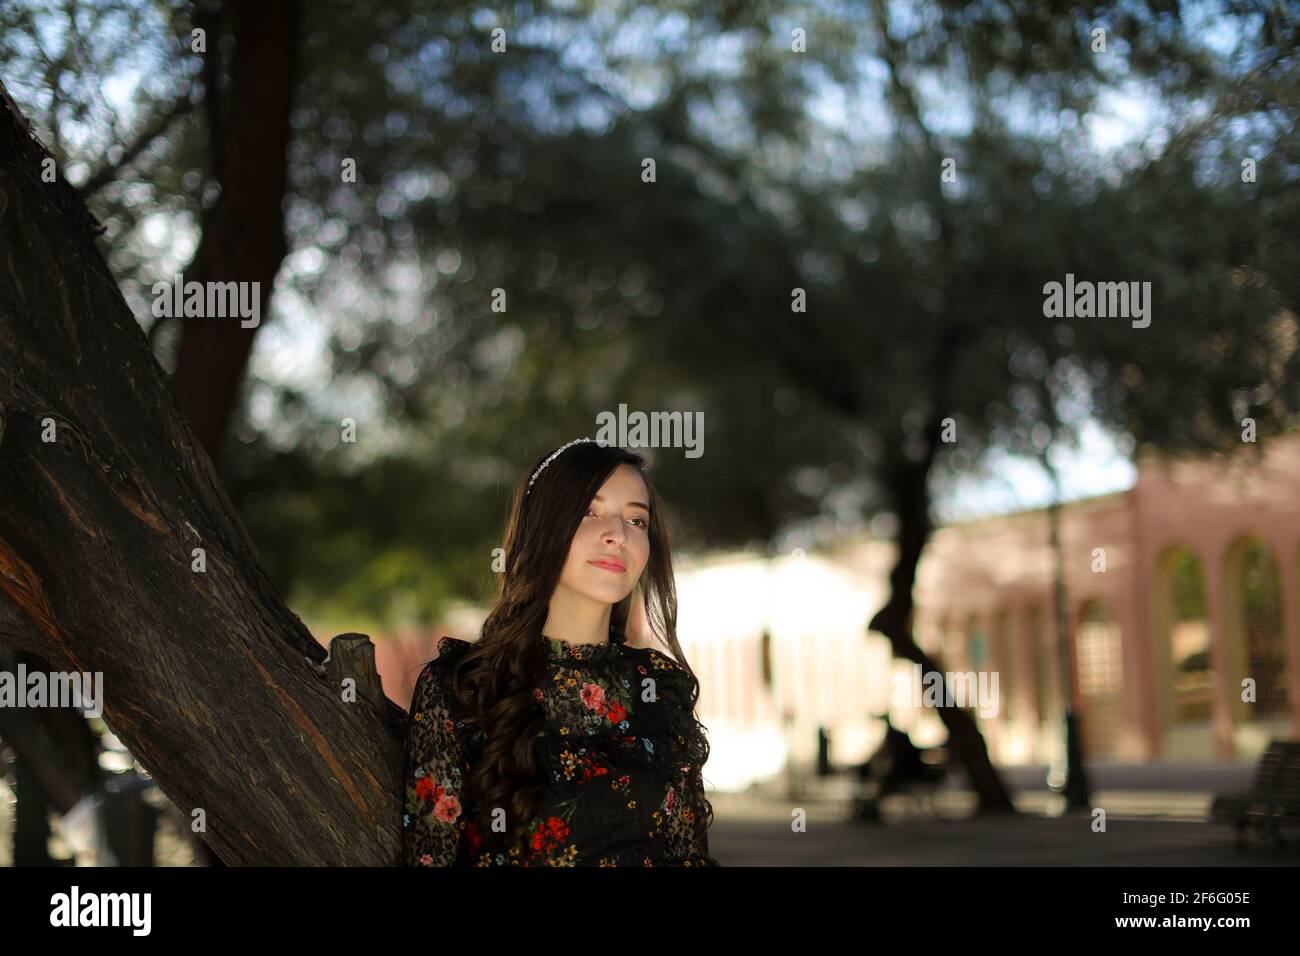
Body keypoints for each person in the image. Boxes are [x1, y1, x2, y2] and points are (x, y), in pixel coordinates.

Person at [402, 438, 719, 866]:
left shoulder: (660, 688)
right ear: (544, 527)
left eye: (637, 521)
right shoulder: (463, 688)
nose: (618, 535)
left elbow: (689, 857)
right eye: (591, 511)